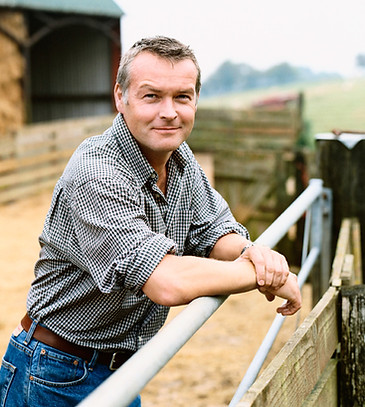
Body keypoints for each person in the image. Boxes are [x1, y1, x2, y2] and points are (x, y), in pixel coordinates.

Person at [0, 36, 301, 407]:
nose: (169, 111)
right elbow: (165, 282)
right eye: (151, 96)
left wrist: (255, 253)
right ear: (120, 98)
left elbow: (213, 231)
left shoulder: (178, 156)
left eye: (182, 97)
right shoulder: (96, 171)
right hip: (52, 373)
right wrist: (266, 276)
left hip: (125, 369)